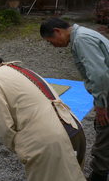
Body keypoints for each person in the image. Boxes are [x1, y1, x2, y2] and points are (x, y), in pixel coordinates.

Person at [0, 52, 86, 181]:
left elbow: (3, 126)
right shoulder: (20, 69)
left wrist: (22, 148)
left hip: (49, 142)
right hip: (74, 128)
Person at [40, 18, 109, 181]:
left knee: (104, 133)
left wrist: (101, 105)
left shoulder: (82, 40)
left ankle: (99, 175)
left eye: (51, 42)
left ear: (58, 31)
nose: (54, 46)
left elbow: (99, 75)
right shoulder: (84, 34)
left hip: (107, 93)